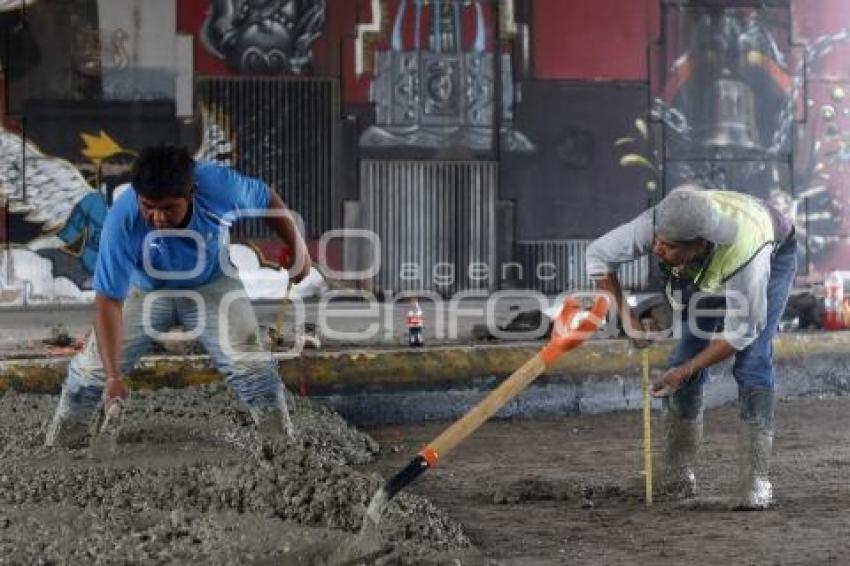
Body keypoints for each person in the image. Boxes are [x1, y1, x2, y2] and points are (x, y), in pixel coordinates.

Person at [45, 145, 311, 447]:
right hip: (146, 290)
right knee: (91, 370)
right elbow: (108, 302)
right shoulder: (122, 219)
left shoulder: (221, 187)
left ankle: (279, 444)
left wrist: (298, 248)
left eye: (169, 208)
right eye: (148, 206)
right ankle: (63, 443)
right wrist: (113, 378)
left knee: (250, 361)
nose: (157, 217)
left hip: (212, 284)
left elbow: (265, 199)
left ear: (192, 192)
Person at [585, 184, 797, 509]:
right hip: (707, 266)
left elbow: (742, 333)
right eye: (657, 239)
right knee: (683, 353)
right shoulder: (661, 222)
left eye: (667, 246)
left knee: (752, 359)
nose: (656, 248)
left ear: (699, 245)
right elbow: (598, 255)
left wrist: (687, 371)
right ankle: (677, 476)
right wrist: (627, 320)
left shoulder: (745, 255)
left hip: (772, 248)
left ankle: (755, 480)